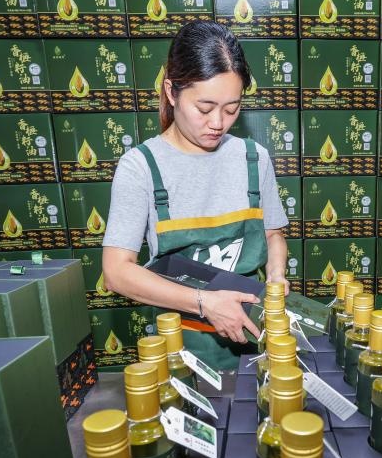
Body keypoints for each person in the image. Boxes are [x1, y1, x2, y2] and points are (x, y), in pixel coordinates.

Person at [102, 21, 289, 370]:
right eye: (204, 108)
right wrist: (205, 302)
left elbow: (272, 235)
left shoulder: (253, 158)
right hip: (183, 352)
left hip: (255, 342)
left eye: (231, 109)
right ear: (172, 92)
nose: (218, 122)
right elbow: (117, 272)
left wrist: (276, 276)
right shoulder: (141, 167)